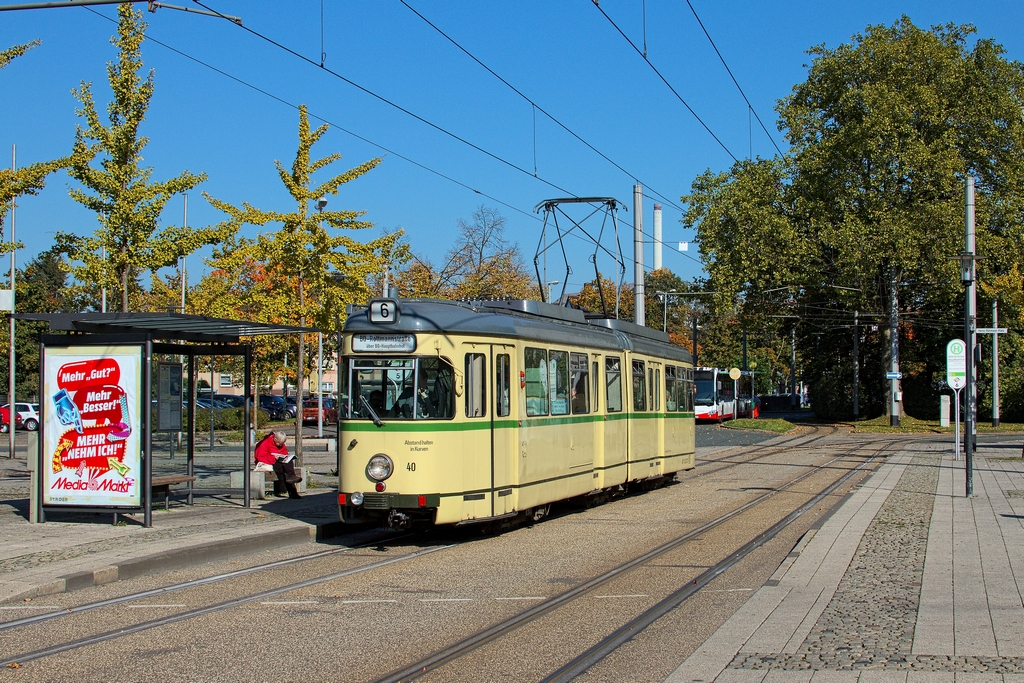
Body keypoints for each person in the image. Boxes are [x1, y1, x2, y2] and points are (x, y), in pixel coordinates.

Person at [254, 430, 301, 499]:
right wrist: (273, 458)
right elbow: (260, 457)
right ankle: (293, 491)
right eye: (279, 443)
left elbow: (285, 452)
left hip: (279, 461)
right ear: (274, 439)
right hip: (268, 462)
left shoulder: (281, 443)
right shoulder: (265, 443)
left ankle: (291, 477)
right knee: (284, 470)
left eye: (282, 443)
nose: (280, 445)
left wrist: (285, 457)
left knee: (288, 462)